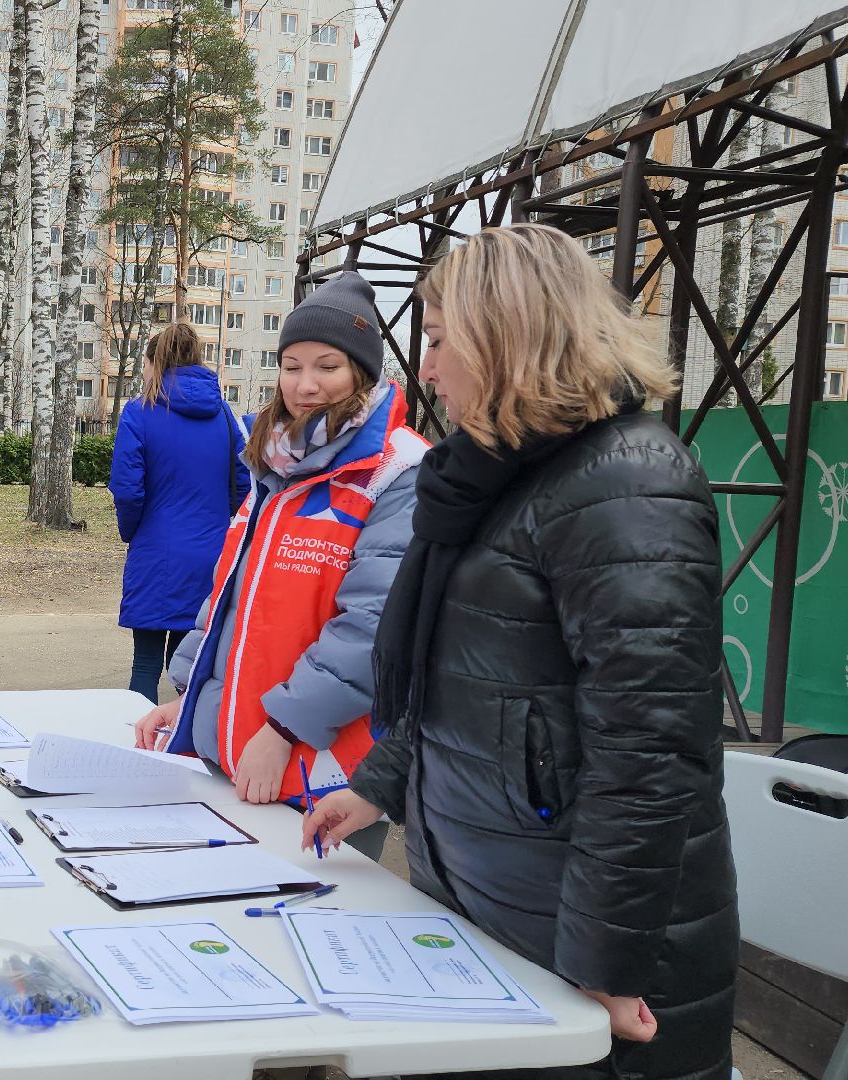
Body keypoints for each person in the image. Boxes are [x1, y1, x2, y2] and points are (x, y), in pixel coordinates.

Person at [302, 225, 737, 1080]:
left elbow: (649, 756)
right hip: (489, 901)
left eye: (436, 341)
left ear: (509, 333)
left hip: (575, 943)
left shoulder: (626, 482)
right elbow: (466, 684)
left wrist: (603, 966)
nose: (424, 369)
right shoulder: (494, 476)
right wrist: (377, 786)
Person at [133, 273, 425, 865]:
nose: (305, 385)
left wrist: (285, 730)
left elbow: (372, 627)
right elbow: (229, 597)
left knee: (317, 927)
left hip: (323, 762)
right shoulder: (275, 461)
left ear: (362, 373)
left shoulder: (398, 471)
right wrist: (191, 700)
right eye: (292, 366)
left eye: (327, 366)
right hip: (244, 747)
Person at [111, 323, 248, 703]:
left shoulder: (139, 413)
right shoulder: (223, 415)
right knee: (187, 665)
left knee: (145, 665)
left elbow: (127, 488)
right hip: (212, 555)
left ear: (155, 362)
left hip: (156, 552)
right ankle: (183, 748)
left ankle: (135, 748)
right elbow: (244, 483)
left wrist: (133, 532)